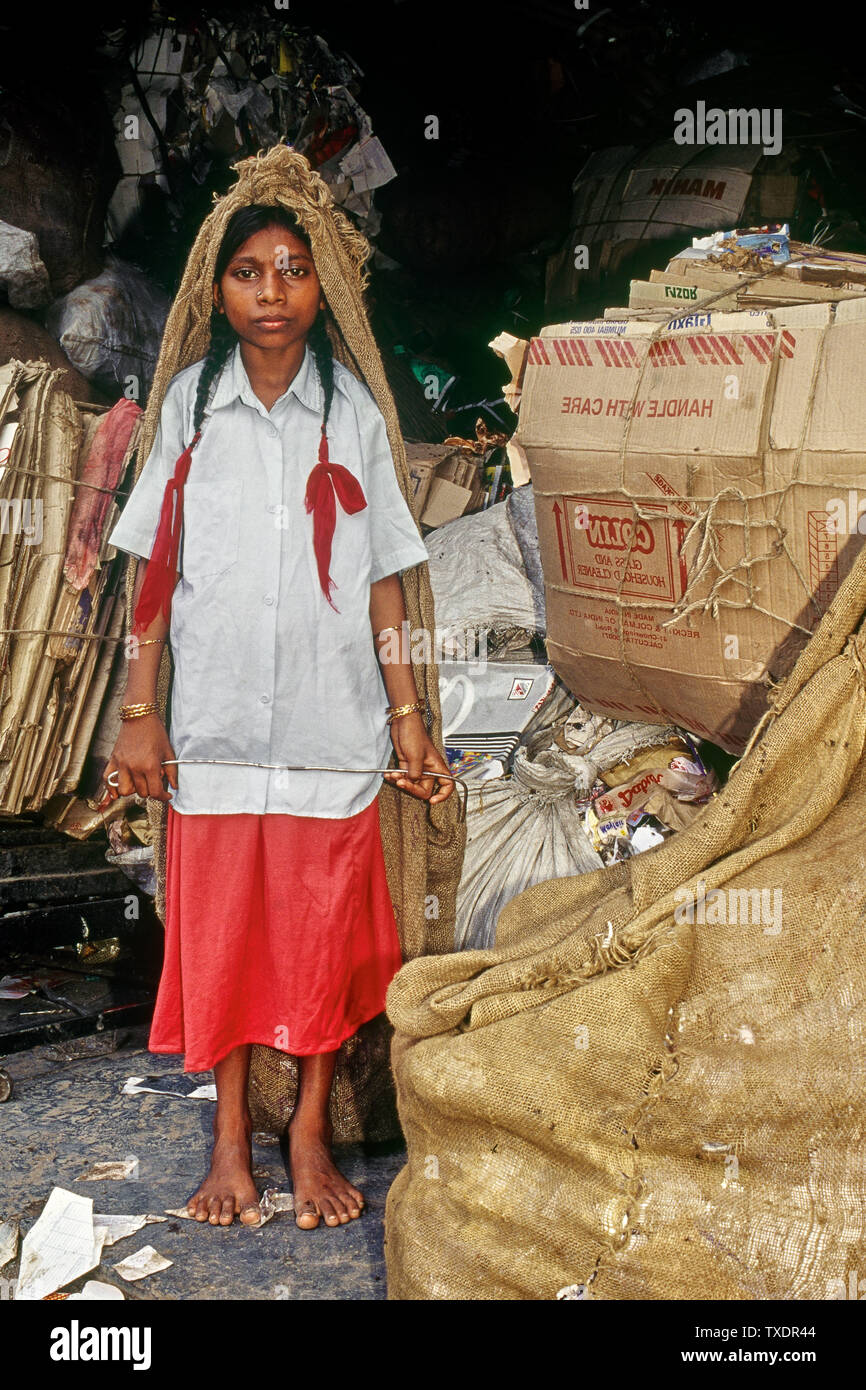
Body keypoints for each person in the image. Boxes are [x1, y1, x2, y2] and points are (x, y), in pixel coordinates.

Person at [102, 200, 453, 1232]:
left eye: (292, 269)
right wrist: (138, 712)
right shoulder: (186, 411)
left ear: (323, 288)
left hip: (325, 728)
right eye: (248, 270)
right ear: (217, 287)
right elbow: (154, 573)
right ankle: (226, 1140)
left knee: (316, 939)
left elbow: (385, 580)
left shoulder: (349, 413)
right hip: (209, 732)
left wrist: (405, 717)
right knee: (220, 938)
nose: (270, 291)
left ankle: (305, 1128)